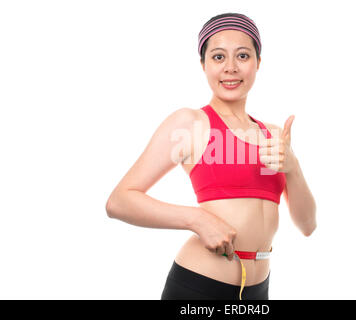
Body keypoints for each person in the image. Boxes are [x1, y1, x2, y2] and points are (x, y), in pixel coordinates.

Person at [105, 12, 317, 300]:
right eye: (218, 57)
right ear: (203, 64)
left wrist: (292, 167)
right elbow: (119, 201)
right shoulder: (190, 123)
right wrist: (196, 220)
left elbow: (307, 226)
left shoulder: (274, 134)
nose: (230, 68)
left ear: (258, 63)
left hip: (258, 290)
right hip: (200, 284)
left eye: (243, 56)